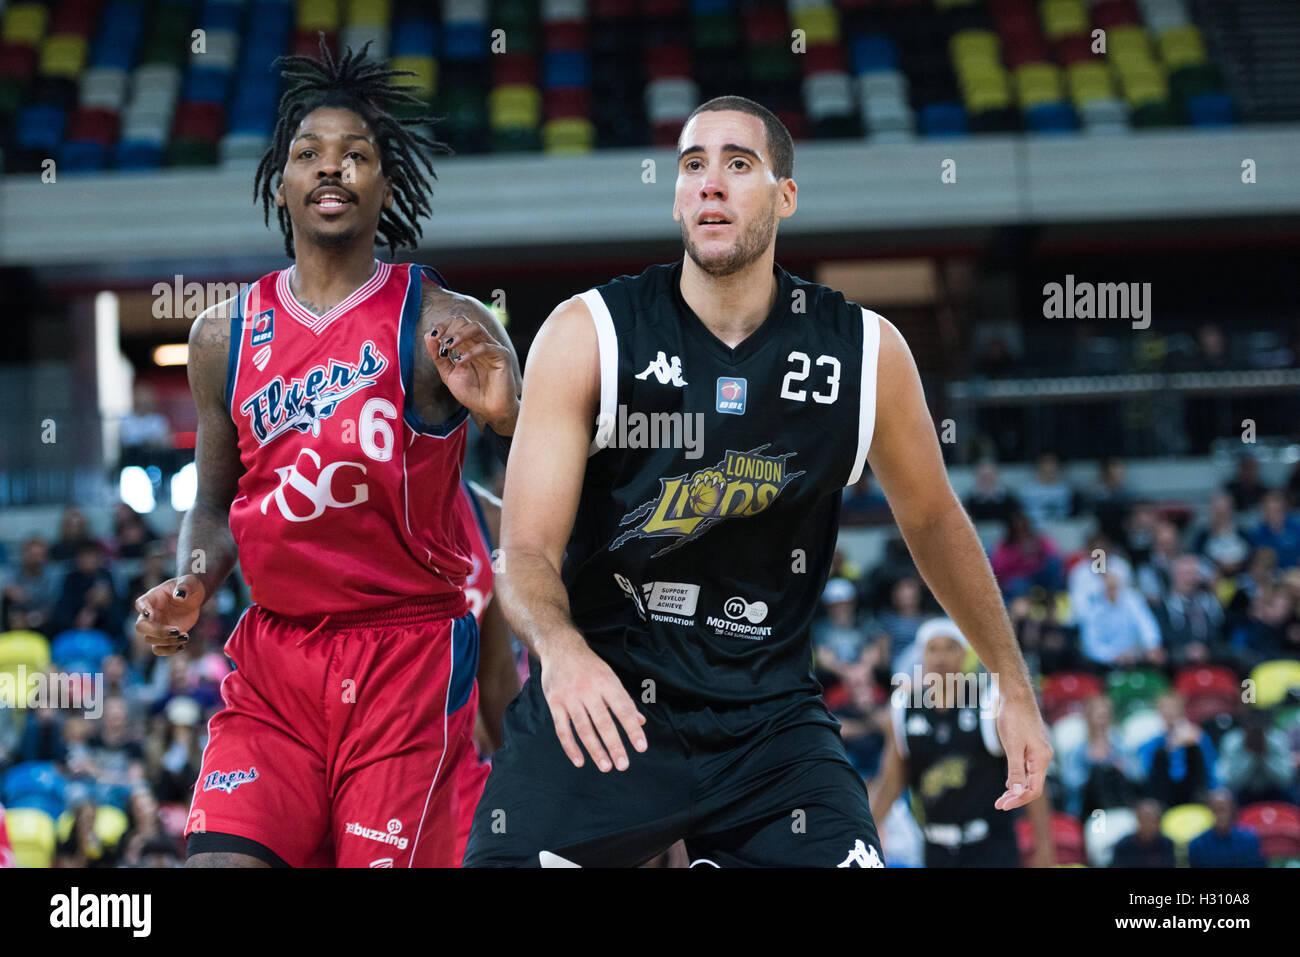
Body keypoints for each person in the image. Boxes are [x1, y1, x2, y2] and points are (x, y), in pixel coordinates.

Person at [465, 96, 1051, 867]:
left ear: (785, 196)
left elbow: (936, 520)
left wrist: (1012, 680)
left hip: (770, 725)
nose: (711, 183)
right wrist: (564, 651)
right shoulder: (590, 334)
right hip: (609, 698)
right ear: (677, 197)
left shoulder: (864, 354)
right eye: (693, 166)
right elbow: (527, 550)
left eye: (738, 164)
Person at [133, 40, 521, 868]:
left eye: (357, 155)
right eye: (309, 154)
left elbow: (527, 418)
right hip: (276, 656)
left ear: (385, 183)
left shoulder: (436, 320)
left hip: (404, 660)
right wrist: (194, 580)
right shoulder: (222, 335)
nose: (331, 167)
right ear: (282, 183)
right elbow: (213, 500)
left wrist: (505, 408)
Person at [869, 619, 1056, 867]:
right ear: (922, 655)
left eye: (950, 647)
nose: (941, 657)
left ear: (964, 655)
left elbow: (1031, 778)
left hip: (990, 847)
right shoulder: (905, 708)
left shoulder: (990, 703)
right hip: (936, 848)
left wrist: (1044, 850)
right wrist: (865, 836)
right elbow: (891, 782)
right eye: (933, 649)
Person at [1078, 572, 1164, 668]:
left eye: (1114, 587)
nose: (1112, 592)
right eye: (1108, 588)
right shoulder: (1093, 609)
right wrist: (1113, 656)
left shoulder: (1132, 599)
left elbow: (1146, 624)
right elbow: (1091, 645)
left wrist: (1152, 645)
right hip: (1105, 663)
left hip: (1135, 656)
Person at [1187, 789, 1266, 867]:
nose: (1220, 815)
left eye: (1223, 810)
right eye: (1216, 810)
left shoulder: (1250, 841)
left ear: (1232, 811)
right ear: (1209, 811)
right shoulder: (1197, 845)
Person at [1109, 798, 1175, 868]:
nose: (1148, 824)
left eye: (1152, 820)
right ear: (1137, 819)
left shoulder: (1167, 844)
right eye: (1144, 820)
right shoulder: (1123, 846)